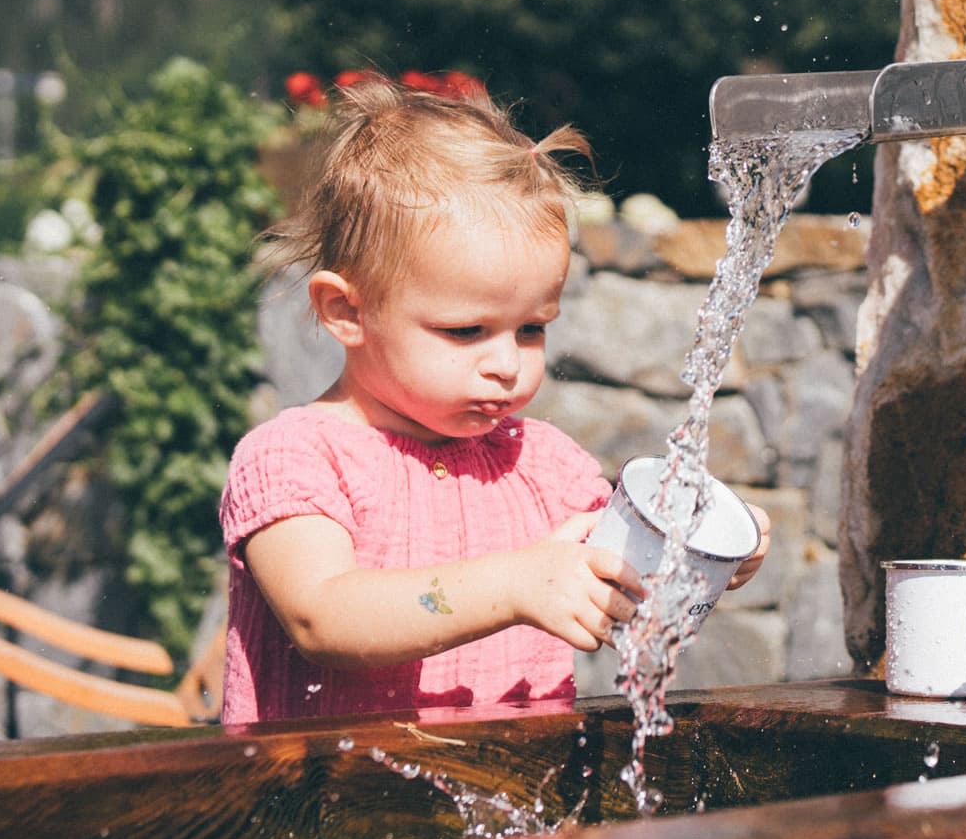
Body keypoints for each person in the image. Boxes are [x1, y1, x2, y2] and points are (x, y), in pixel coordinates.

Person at [218, 77, 767, 723]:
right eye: (465, 331)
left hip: (517, 813)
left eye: (531, 328)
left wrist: (711, 543)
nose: (507, 364)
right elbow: (324, 615)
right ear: (346, 310)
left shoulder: (543, 467)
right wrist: (515, 584)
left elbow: (628, 572)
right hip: (327, 810)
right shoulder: (297, 458)